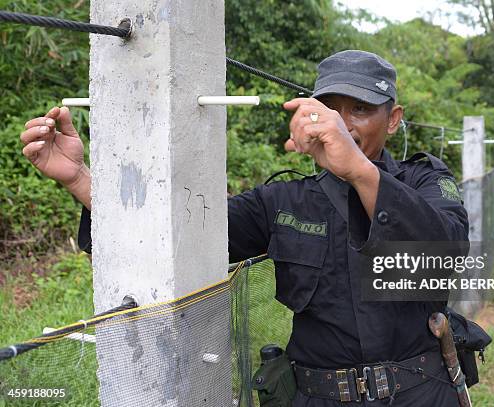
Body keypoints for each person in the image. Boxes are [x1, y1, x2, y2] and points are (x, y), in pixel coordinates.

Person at [20, 50, 468, 406]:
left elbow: (442, 256)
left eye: (361, 109)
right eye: (328, 109)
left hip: (420, 395)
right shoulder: (281, 201)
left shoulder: (425, 182)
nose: (342, 124)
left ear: (392, 119)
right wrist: (82, 181)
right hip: (318, 398)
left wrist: (358, 170)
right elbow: (170, 241)